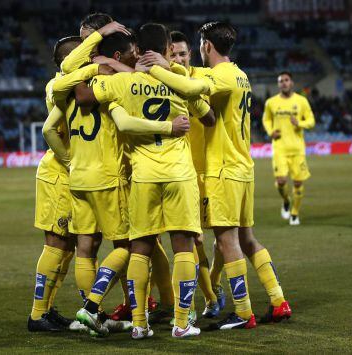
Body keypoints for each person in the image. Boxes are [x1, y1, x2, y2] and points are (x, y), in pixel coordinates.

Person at [140, 21, 292, 330]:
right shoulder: (239, 74)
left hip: (222, 170)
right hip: (242, 167)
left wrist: (157, 68)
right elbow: (190, 78)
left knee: (226, 242)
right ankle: (278, 301)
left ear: (206, 46)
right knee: (247, 239)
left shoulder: (219, 77)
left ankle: (243, 311)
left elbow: (192, 86)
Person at [73, 23, 215, 339]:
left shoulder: (124, 82)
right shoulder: (181, 80)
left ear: (138, 50)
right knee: (183, 247)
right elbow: (206, 108)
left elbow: (82, 94)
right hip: (179, 173)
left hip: (143, 176)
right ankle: (181, 322)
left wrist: (102, 63)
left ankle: (139, 325)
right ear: (166, 49)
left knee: (140, 248)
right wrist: (171, 71)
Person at [28, 36, 82, 333]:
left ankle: (46, 309)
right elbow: (51, 131)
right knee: (56, 245)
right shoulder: (58, 85)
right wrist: (70, 161)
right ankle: (37, 315)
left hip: (67, 174)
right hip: (59, 174)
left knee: (67, 248)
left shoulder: (70, 84)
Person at [169, 30, 223, 319]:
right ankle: (205, 299)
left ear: (191, 54)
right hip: (181, 173)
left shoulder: (203, 77)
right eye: (172, 54)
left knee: (225, 238)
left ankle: (212, 288)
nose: (178, 58)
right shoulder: (163, 84)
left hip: (209, 172)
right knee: (194, 241)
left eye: (182, 53)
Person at [262, 71, 315, 226]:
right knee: (281, 181)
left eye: (286, 80)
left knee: (298, 183)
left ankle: (294, 213)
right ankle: (286, 200)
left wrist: (300, 124)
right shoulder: (271, 102)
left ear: (291, 83)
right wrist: (270, 132)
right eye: (281, 81)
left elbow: (311, 121)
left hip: (298, 149)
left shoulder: (302, 101)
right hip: (280, 148)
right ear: (278, 84)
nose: (284, 83)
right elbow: (266, 119)